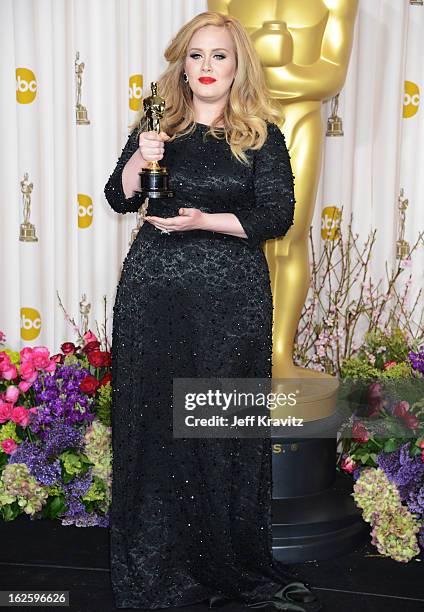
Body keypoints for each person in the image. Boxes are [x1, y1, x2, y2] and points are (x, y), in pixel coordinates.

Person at [104, 10, 322, 612]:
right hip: (155, 293)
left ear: (237, 66)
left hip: (230, 299)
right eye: (196, 55)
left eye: (218, 56)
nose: (206, 67)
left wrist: (203, 221)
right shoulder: (157, 127)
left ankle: (222, 556)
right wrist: (137, 158)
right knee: (153, 422)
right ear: (183, 63)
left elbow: (276, 216)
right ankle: (158, 560)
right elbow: (117, 196)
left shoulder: (262, 135)